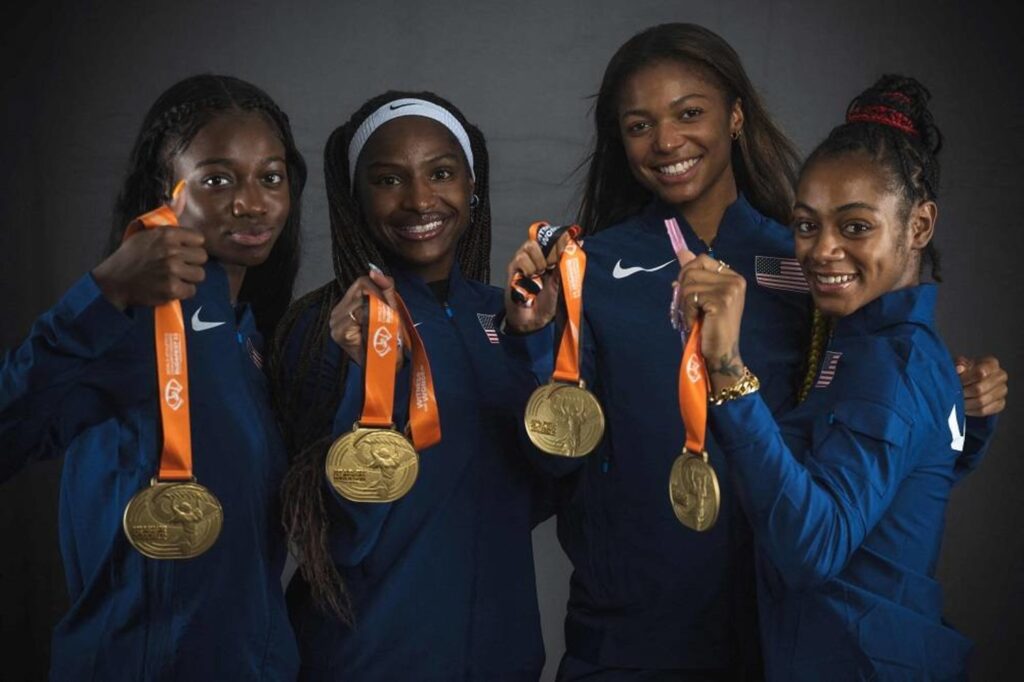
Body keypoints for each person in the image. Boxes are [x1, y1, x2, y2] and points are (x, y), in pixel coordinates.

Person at [504, 23, 1005, 680]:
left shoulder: (810, 267)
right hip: (638, 631)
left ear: (736, 116)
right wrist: (536, 340)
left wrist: (964, 414)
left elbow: (869, 455)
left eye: (690, 113)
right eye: (639, 125)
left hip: (782, 624)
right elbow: (552, 460)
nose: (667, 141)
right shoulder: (589, 268)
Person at [679, 73, 985, 680]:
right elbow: (904, 481)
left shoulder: (890, 361)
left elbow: (812, 548)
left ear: (918, 227)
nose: (822, 250)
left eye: (855, 226)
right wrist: (976, 418)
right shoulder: (877, 344)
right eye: (806, 224)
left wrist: (729, 371)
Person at [0, 74, 306, 680]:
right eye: (217, 179)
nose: (252, 202)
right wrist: (104, 292)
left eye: (269, 177)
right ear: (163, 190)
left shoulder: (248, 333)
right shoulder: (129, 321)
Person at [272, 92, 551, 680]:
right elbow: (336, 536)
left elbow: (549, 488)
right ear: (356, 199)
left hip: (502, 657)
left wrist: (536, 345)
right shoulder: (326, 325)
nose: (420, 199)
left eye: (441, 173)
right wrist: (364, 376)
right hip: (366, 658)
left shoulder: (505, 316)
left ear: (472, 188)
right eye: (389, 179)